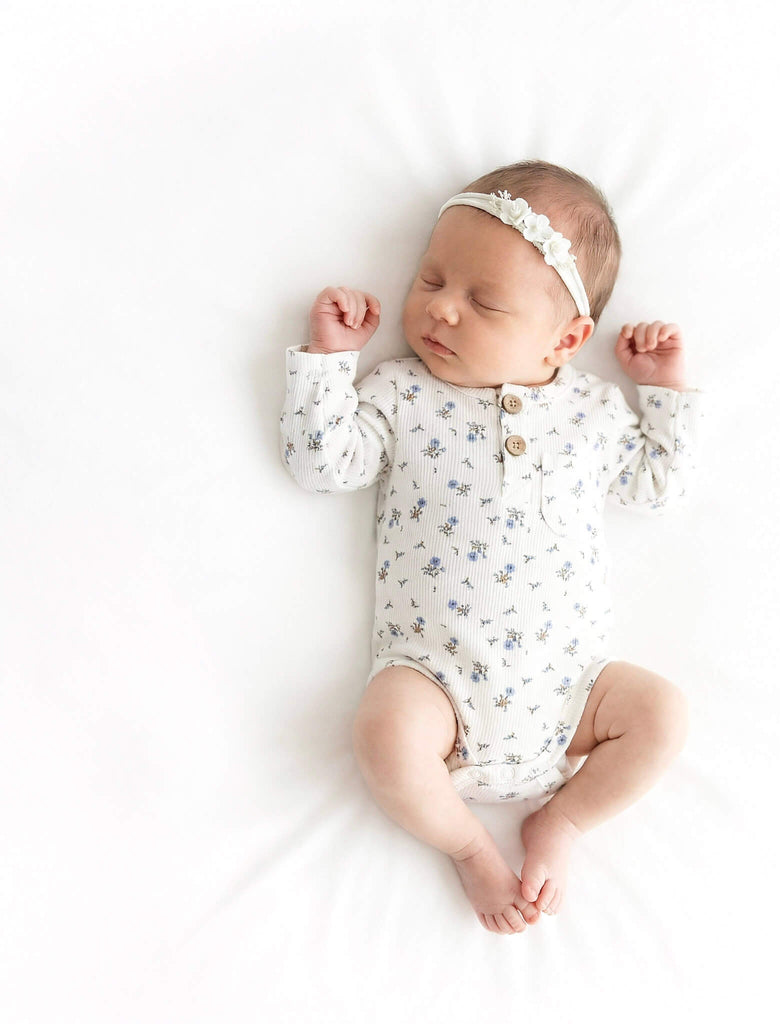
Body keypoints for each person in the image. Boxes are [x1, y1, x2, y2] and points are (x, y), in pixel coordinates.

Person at [280, 160, 702, 934]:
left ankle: (563, 822)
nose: (440, 310)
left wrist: (664, 390)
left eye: (482, 301)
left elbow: (660, 489)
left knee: (664, 716)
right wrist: (330, 360)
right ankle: (471, 849)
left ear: (566, 340)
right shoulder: (401, 393)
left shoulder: (593, 411)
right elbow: (320, 464)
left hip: (574, 697)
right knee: (384, 733)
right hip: (437, 685)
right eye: (431, 279)